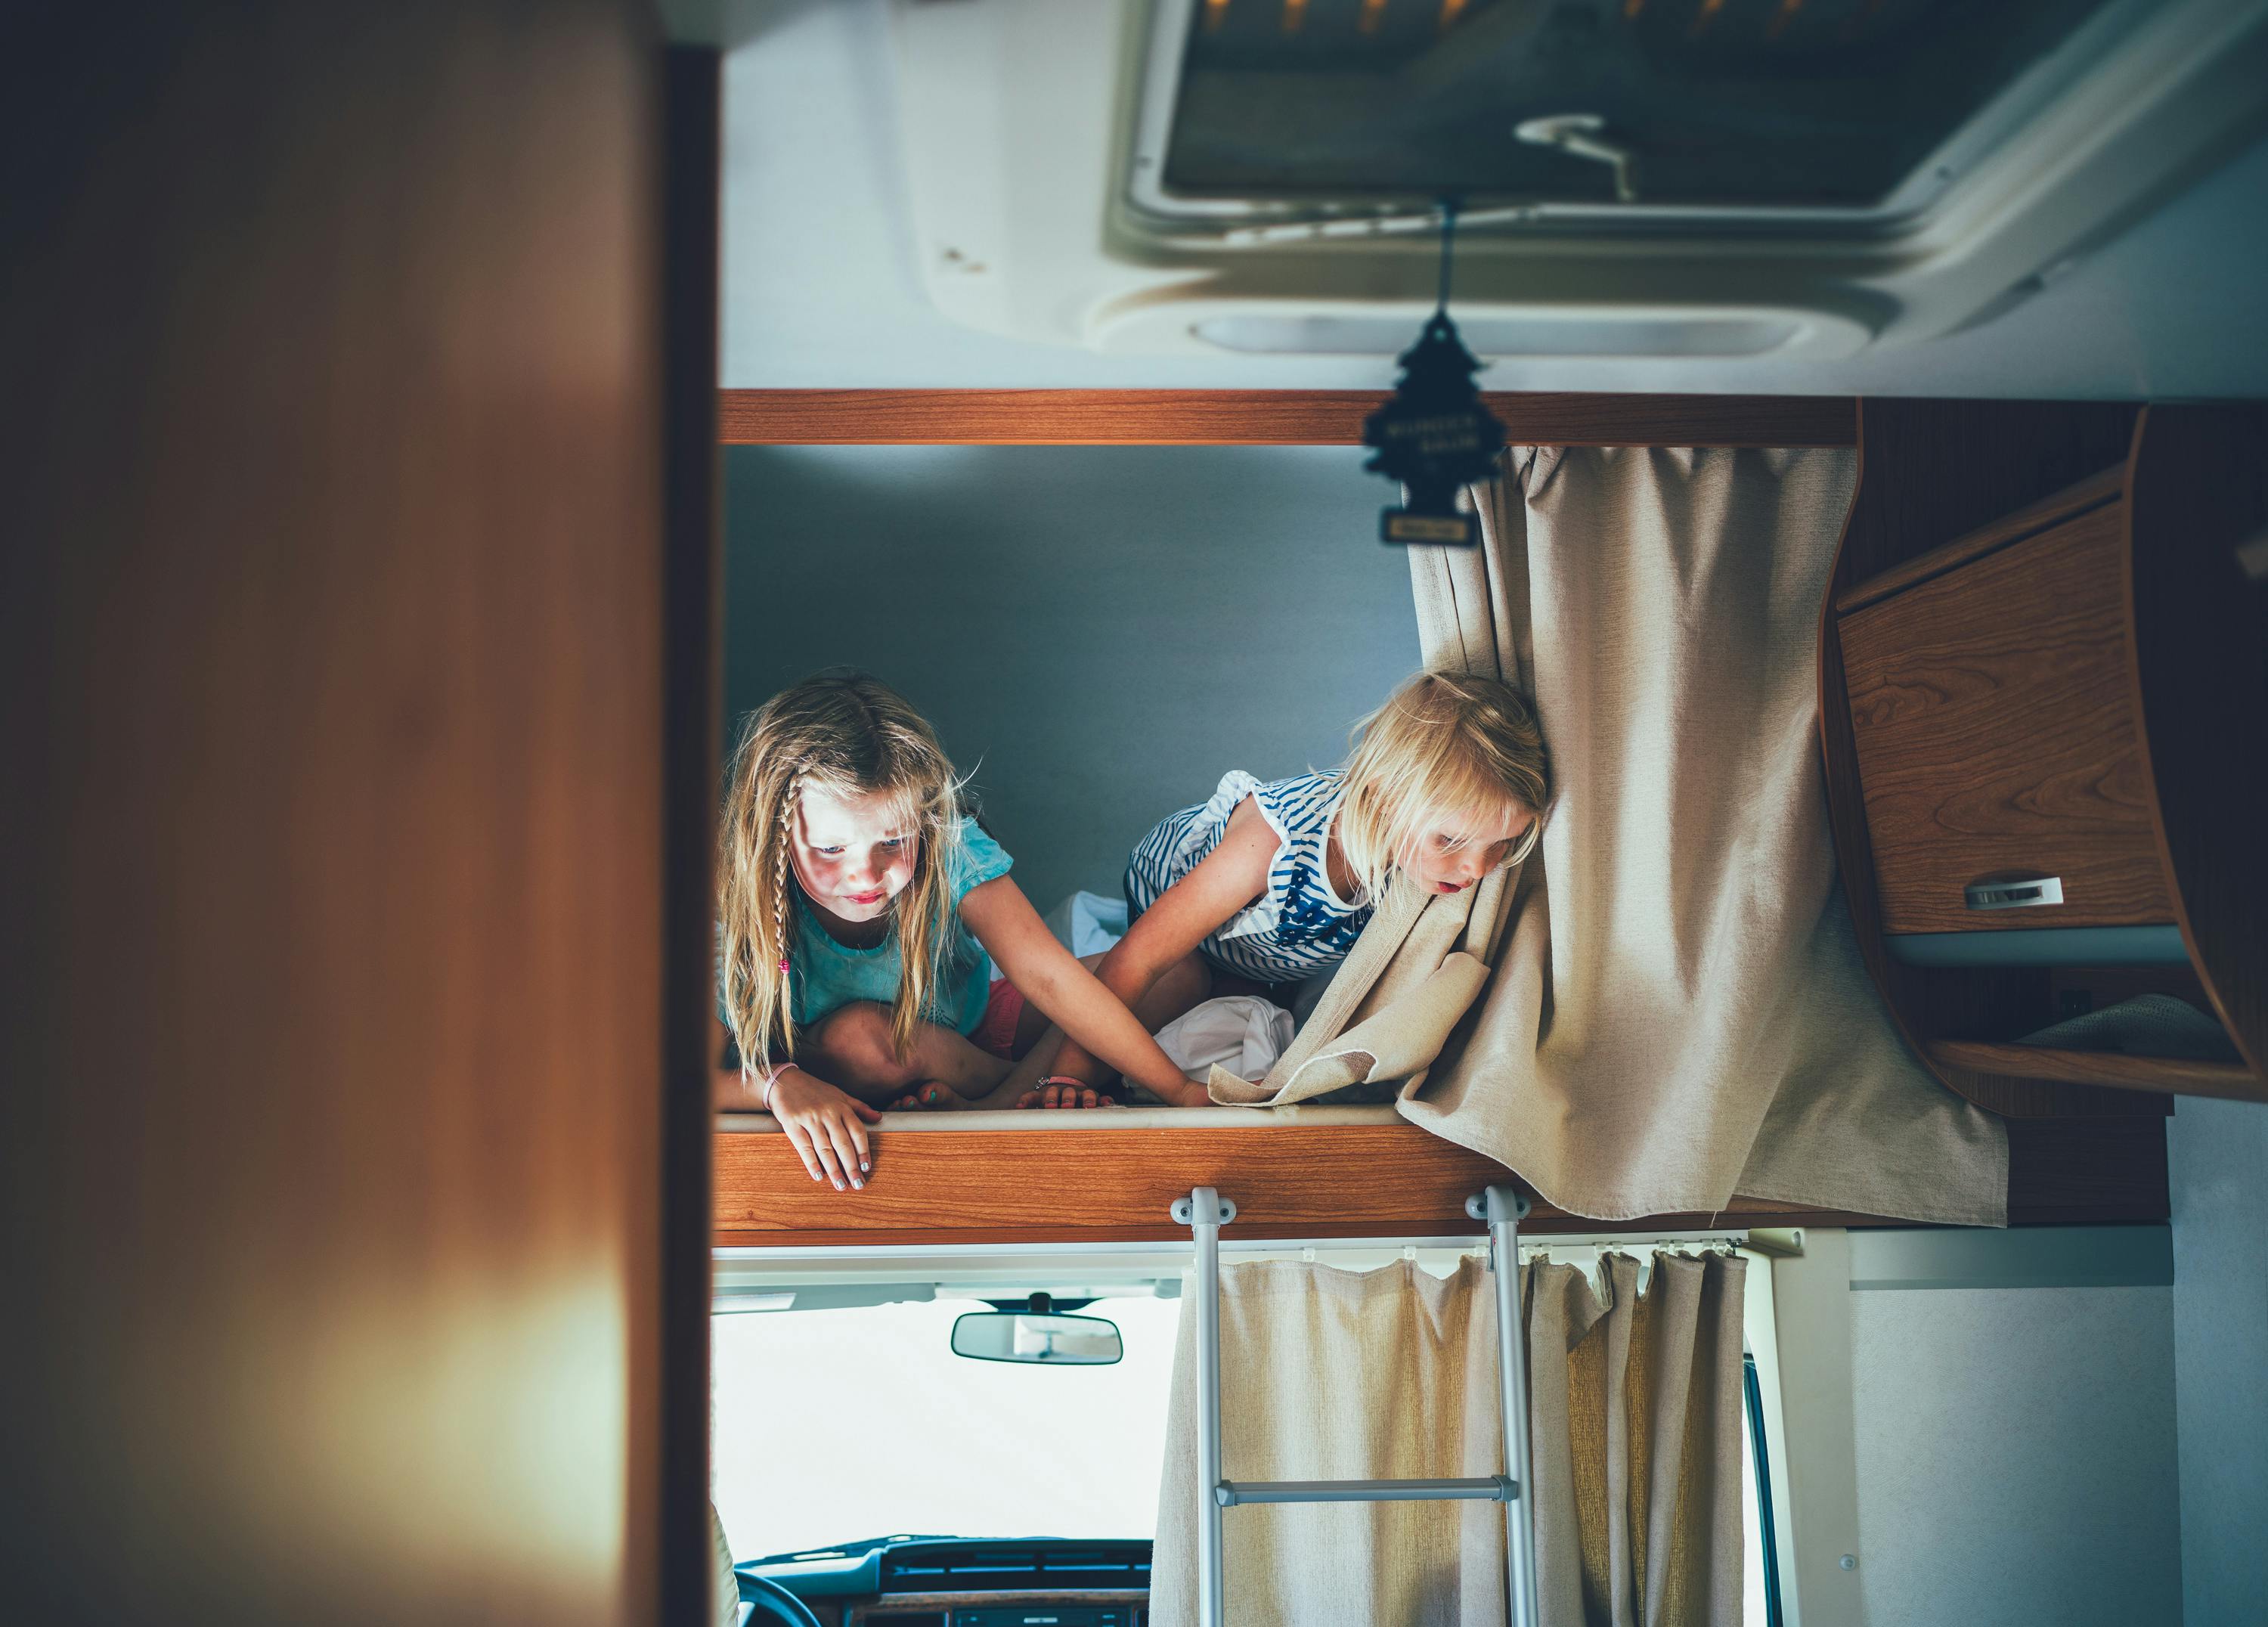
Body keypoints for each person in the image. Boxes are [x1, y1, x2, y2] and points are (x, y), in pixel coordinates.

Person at [714, 671, 1205, 1189]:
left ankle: (1006, 1093)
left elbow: (1049, 979)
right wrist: (776, 1086)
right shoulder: (732, 897)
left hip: (973, 1028)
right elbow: (667, 1082)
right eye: (832, 850)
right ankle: (1037, 1081)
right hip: (858, 1056)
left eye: (893, 841)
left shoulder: (946, 839)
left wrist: (1178, 1090)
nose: (866, 873)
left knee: (1179, 973)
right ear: (776, 834)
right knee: (861, 1040)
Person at [1035, 669, 1549, 1108]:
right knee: (1182, 983)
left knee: (1256, 1031)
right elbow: (1139, 959)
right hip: (1179, 913)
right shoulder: (1273, 843)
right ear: (1387, 798)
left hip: (1263, 957)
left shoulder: (1419, 864)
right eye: (1452, 839)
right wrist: (1084, 1080)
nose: (1478, 868)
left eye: (1501, 844)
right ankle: (1022, 1085)